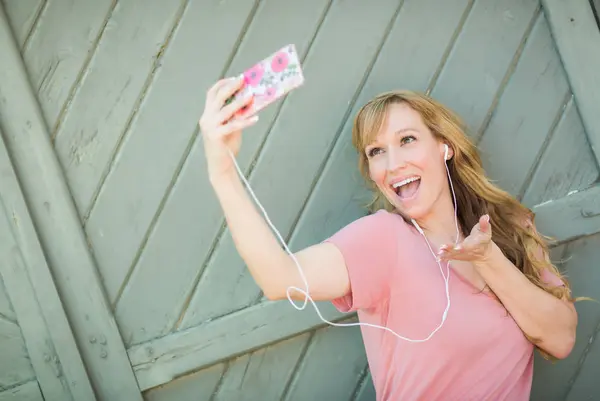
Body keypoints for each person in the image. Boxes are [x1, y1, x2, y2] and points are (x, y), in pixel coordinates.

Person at [199, 76, 578, 400]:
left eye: (407, 140)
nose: (393, 163)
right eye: (377, 151)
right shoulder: (384, 239)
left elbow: (560, 340)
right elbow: (278, 279)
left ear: (445, 146)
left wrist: (489, 259)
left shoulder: (510, 226)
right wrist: (222, 173)